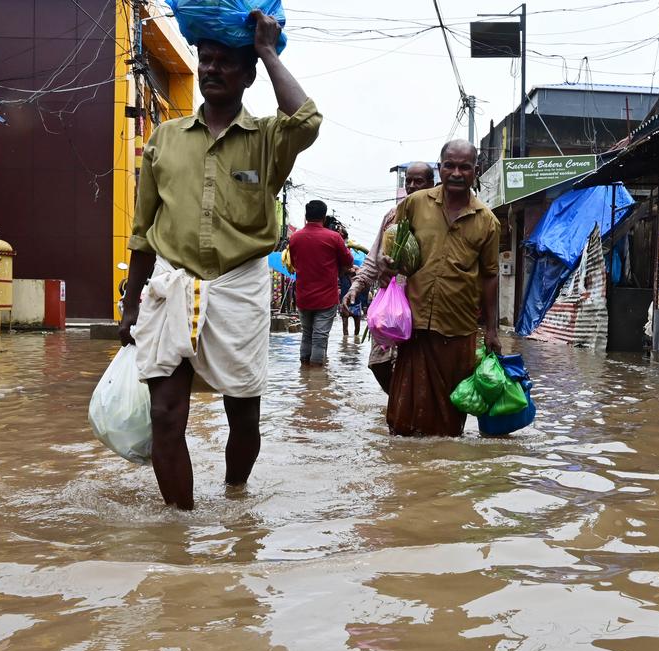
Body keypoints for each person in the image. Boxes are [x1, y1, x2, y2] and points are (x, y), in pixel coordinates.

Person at [118, 11, 321, 510]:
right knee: (165, 413)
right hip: (169, 285)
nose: (210, 69)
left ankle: (235, 501)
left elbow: (308, 120)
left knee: (243, 417)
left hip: (239, 288)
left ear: (248, 75)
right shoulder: (165, 138)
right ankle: (179, 529)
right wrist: (129, 305)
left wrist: (268, 50)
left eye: (224, 62)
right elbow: (143, 231)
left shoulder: (269, 138)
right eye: (204, 60)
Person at [381, 141, 500, 436]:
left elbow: (490, 276)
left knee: (449, 416)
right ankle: (410, 471)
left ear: (476, 171)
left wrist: (493, 330)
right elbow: (394, 241)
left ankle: (442, 469)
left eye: (464, 167)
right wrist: (386, 263)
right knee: (404, 412)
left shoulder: (487, 221)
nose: (456, 173)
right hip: (415, 322)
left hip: (458, 327)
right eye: (449, 165)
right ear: (440, 167)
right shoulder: (415, 203)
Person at [343, 161, 435, 391]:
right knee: (379, 363)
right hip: (391, 300)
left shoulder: (438, 218)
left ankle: (407, 412)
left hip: (423, 300)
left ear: (431, 184)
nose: (412, 186)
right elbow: (375, 256)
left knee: (415, 363)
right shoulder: (393, 216)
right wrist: (357, 286)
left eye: (419, 181)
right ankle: (398, 403)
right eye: (409, 182)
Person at [288, 200, 353, 365]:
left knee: (307, 334)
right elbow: (349, 261)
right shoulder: (333, 238)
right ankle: (316, 382)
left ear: (306, 216)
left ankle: (304, 377)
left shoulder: (295, 238)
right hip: (326, 297)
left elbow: (294, 263)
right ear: (323, 218)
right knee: (320, 338)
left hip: (303, 297)